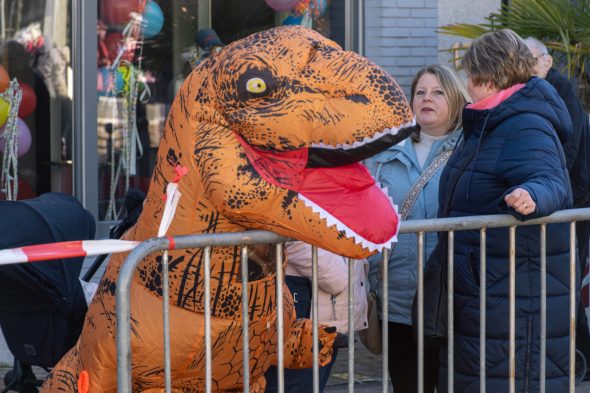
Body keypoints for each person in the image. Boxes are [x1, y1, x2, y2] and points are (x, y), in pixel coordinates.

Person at [434, 29, 574, 392]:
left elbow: (550, 179)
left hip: (507, 294)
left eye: (469, 75)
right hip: (485, 288)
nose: (466, 83)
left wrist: (532, 194)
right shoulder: (489, 122)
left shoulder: (523, 122)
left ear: (487, 78)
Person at [364, 64, 469, 393]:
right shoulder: (384, 154)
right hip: (397, 301)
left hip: (453, 302)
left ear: (454, 99)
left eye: (438, 92)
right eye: (420, 92)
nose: (427, 98)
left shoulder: (470, 152)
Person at [524, 36, 590, 277]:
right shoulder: (526, 89)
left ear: (548, 61)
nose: (527, 66)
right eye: (520, 61)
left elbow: (568, 144)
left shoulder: (561, 89)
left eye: (531, 60)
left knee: (570, 266)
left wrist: (552, 188)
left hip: (573, 192)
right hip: (551, 192)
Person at [264, 241, 368, 393]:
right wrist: (340, 277)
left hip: (329, 306)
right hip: (306, 297)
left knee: (310, 384)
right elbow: (290, 235)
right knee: (291, 384)